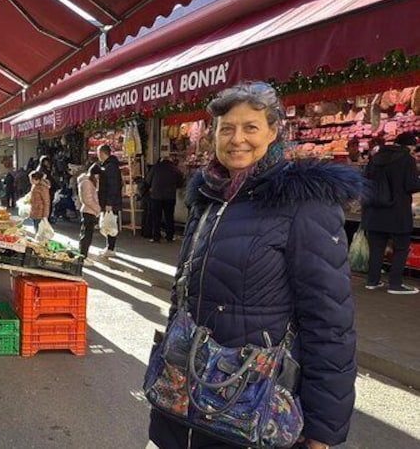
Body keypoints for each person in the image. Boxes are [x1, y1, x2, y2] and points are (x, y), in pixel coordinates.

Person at [147, 82, 360, 449]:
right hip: (182, 402)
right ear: (213, 135)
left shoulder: (304, 205)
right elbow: (182, 299)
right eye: (226, 128)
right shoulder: (208, 200)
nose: (237, 139)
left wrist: (324, 428)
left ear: (274, 131)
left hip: (251, 407)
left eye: (250, 127)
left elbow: (329, 322)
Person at [361, 132, 420, 294]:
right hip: (397, 211)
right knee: (401, 248)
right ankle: (395, 284)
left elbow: (365, 181)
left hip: (374, 211)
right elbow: (411, 186)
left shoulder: (375, 157)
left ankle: (372, 281)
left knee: (376, 248)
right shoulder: (407, 160)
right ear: (408, 146)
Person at [146, 156, 184, 243]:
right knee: (169, 217)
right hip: (170, 196)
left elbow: (148, 181)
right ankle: (169, 237)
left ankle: (156, 237)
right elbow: (180, 183)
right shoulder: (175, 169)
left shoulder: (155, 168)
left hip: (156, 196)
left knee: (156, 217)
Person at [97, 144, 123, 254]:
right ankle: (109, 247)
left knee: (110, 223)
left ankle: (110, 248)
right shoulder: (110, 165)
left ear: (102, 153)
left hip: (111, 202)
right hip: (110, 201)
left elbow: (113, 186)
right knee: (109, 222)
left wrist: (109, 202)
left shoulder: (110, 167)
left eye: (98, 153)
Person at [77, 163, 101, 258]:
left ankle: (83, 255)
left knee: (87, 235)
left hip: (90, 211)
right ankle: (83, 256)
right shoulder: (87, 182)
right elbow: (87, 199)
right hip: (88, 211)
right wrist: (97, 209)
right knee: (86, 235)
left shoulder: (88, 181)